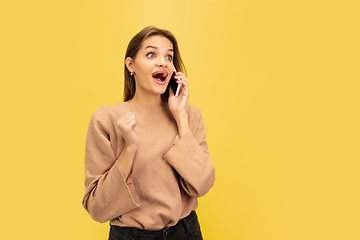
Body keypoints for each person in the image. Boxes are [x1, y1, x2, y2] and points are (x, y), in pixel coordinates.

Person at [82, 26, 215, 240]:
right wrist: (129, 148)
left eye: (169, 57)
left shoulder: (189, 115)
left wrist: (180, 117)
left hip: (185, 232)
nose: (163, 62)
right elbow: (97, 208)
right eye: (151, 54)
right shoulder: (106, 118)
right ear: (131, 65)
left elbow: (203, 183)